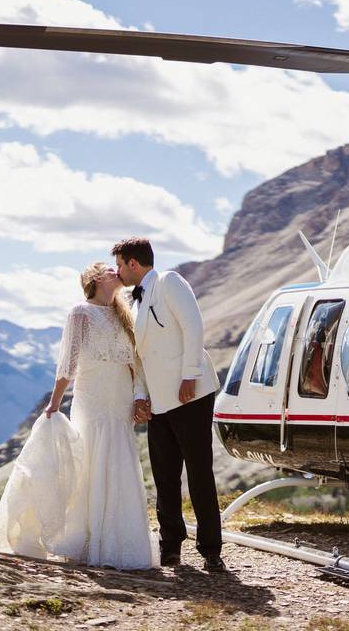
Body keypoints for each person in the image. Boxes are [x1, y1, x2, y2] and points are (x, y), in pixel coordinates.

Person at [0, 262, 156, 570]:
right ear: (97, 279)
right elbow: (68, 363)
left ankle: (119, 542)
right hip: (92, 398)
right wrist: (54, 403)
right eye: (111, 269)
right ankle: (85, 539)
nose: (118, 271)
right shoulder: (80, 312)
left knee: (119, 462)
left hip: (119, 400)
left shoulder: (125, 314)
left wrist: (140, 397)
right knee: (89, 462)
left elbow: (136, 363)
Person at [111, 237, 224, 571]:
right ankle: (170, 547)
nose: (117, 272)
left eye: (120, 264)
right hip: (159, 403)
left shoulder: (169, 282)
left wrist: (190, 374)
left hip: (190, 395)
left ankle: (210, 549)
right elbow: (140, 357)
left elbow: (193, 326)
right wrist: (140, 396)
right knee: (165, 477)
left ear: (134, 263)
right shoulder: (133, 304)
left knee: (200, 472)